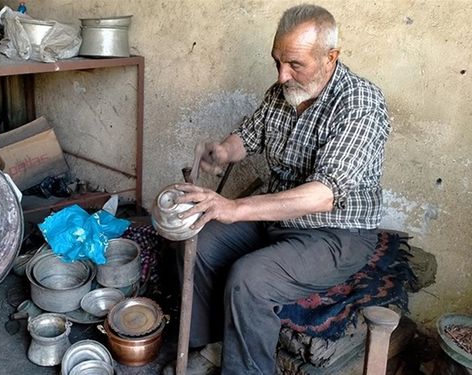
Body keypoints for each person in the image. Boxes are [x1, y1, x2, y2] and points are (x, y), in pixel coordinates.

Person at [165, 3, 390, 375]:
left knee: (250, 279)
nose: (283, 75)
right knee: (198, 240)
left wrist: (234, 207)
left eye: (295, 65)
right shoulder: (282, 92)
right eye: (277, 62)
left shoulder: (359, 103)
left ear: (330, 57)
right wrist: (222, 152)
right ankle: (207, 344)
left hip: (335, 233)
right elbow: (249, 136)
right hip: (277, 220)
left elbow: (322, 194)